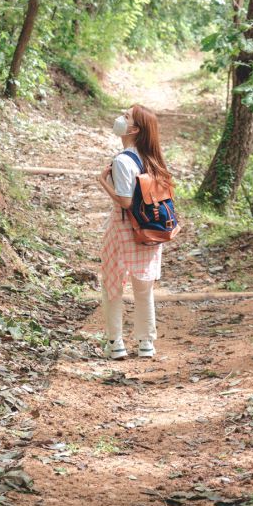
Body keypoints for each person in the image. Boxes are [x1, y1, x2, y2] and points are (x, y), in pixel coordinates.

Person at [97, 103, 171, 360]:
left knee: (113, 284)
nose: (120, 118)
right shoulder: (153, 158)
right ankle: (146, 343)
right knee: (143, 288)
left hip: (124, 228)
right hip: (151, 231)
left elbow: (125, 201)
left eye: (126, 116)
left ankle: (115, 343)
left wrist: (102, 183)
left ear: (135, 128)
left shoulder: (122, 160)